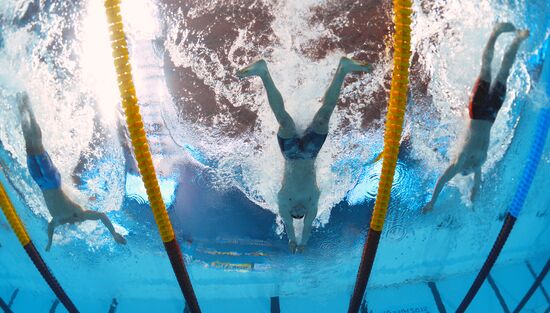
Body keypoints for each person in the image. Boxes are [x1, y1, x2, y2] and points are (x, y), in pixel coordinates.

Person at [237, 57, 372, 253]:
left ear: (289, 211)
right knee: (324, 116)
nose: (298, 212)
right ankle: (343, 68)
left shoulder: (284, 203)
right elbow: (307, 227)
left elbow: (292, 227)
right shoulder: (312, 202)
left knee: (285, 122)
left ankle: (263, 72)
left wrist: (293, 241)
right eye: (301, 214)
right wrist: (303, 243)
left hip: (290, 153)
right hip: (310, 153)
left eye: (294, 214)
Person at [423, 23, 529, 213]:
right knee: (504, 73)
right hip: (491, 114)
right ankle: (518, 39)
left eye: (466, 171)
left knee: (486, 69)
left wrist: (432, 201)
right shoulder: (478, 165)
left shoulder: (461, 161)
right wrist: (473, 197)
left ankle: (495, 33)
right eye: (469, 173)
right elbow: (477, 185)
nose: (469, 171)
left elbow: (443, 180)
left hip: (477, 110)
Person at [17, 91, 127, 250]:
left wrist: (49, 242)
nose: (73, 226)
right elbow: (101, 216)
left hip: (40, 183)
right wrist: (113, 233)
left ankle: (22, 111)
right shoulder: (79, 214)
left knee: (29, 146)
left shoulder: (59, 221)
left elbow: (51, 227)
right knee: (38, 145)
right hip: (52, 180)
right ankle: (31, 112)